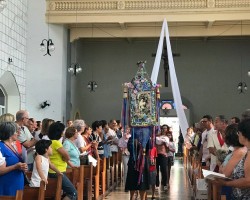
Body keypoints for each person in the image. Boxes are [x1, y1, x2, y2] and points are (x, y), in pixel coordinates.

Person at [215, 119, 250, 199]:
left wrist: (226, 183)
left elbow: (248, 181)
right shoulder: (247, 150)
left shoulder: (244, 151)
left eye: (239, 133)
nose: (238, 135)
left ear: (245, 134)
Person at [48, 122, 77, 200]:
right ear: (59, 132)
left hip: (53, 171)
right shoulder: (56, 143)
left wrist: (69, 163)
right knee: (73, 193)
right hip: (58, 171)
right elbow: (66, 155)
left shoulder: (50, 142)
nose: (63, 132)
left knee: (58, 193)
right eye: (63, 131)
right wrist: (66, 159)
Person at [0, 122, 28, 196]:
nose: (18, 133)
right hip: (7, 186)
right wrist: (15, 167)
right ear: (10, 133)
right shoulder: (1, 147)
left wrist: (22, 167)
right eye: (16, 131)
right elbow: (1, 170)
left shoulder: (12, 145)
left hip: (16, 184)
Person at [155, 125, 169, 191]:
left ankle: (165, 184)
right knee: (156, 170)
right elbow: (158, 142)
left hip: (163, 155)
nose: (163, 130)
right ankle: (157, 184)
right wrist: (161, 140)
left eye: (165, 128)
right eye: (162, 129)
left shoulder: (167, 137)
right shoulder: (156, 137)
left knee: (164, 170)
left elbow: (167, 144)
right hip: (156, 155)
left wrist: (162, 141)